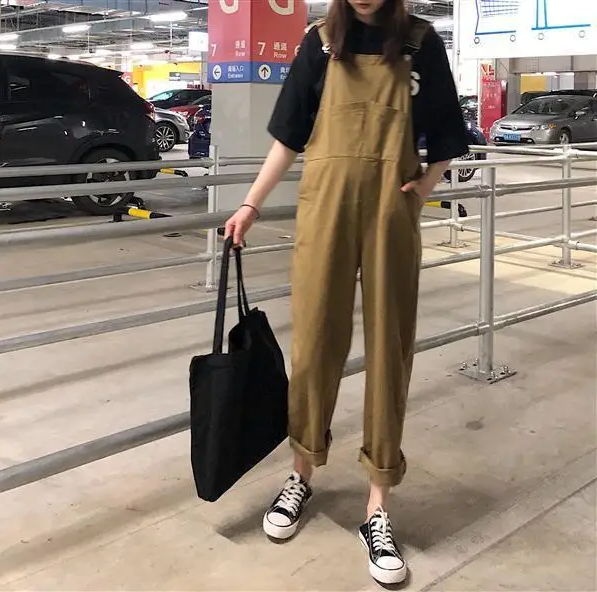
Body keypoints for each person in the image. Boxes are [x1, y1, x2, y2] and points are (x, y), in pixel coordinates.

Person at [224, 0, 468, 585]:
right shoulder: (320, 43)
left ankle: (377, 506)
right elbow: (289, 137)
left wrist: (424, 186)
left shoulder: (420, 43)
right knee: (313, 345)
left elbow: (447, 134)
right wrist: (251, 203)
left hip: (391, 212)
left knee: (390, 350)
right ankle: (301, 474)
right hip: (324, 209)